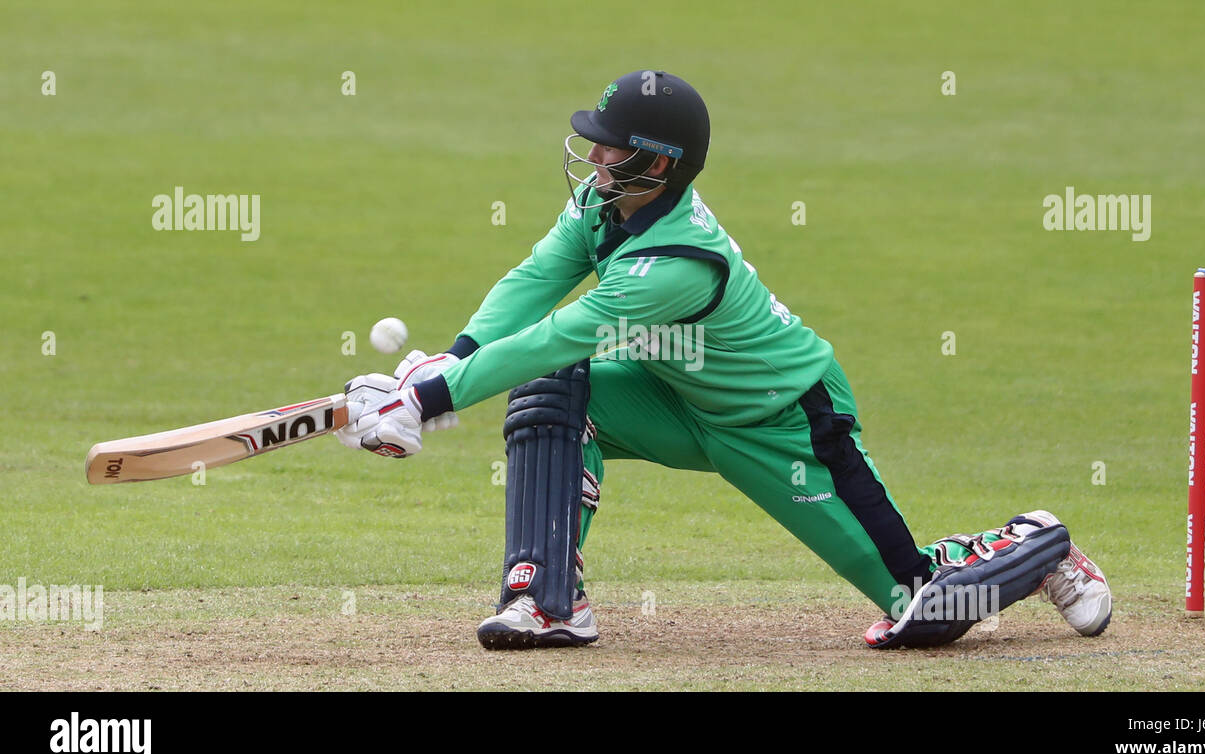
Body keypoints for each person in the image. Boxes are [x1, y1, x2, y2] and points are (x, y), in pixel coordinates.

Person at [335, 70, 1113, 650]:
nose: (595, 153)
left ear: (661, 163)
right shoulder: (603, 204)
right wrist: (445, 364)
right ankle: (547, 602)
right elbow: (533, 281)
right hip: (674, 400)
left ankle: (1036, 542)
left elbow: (564, 331)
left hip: (783, 421)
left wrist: (431, 400)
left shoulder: (679, 262)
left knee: (919, 610)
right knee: (551, 395)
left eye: (614, 145)